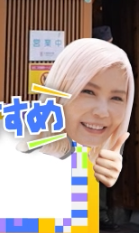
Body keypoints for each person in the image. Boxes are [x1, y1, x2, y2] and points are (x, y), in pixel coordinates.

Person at [26, 37, 133, 187]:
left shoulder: (86, 156)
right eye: (88, 92)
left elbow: (79, 199)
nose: (102, 112)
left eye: (116, 98)